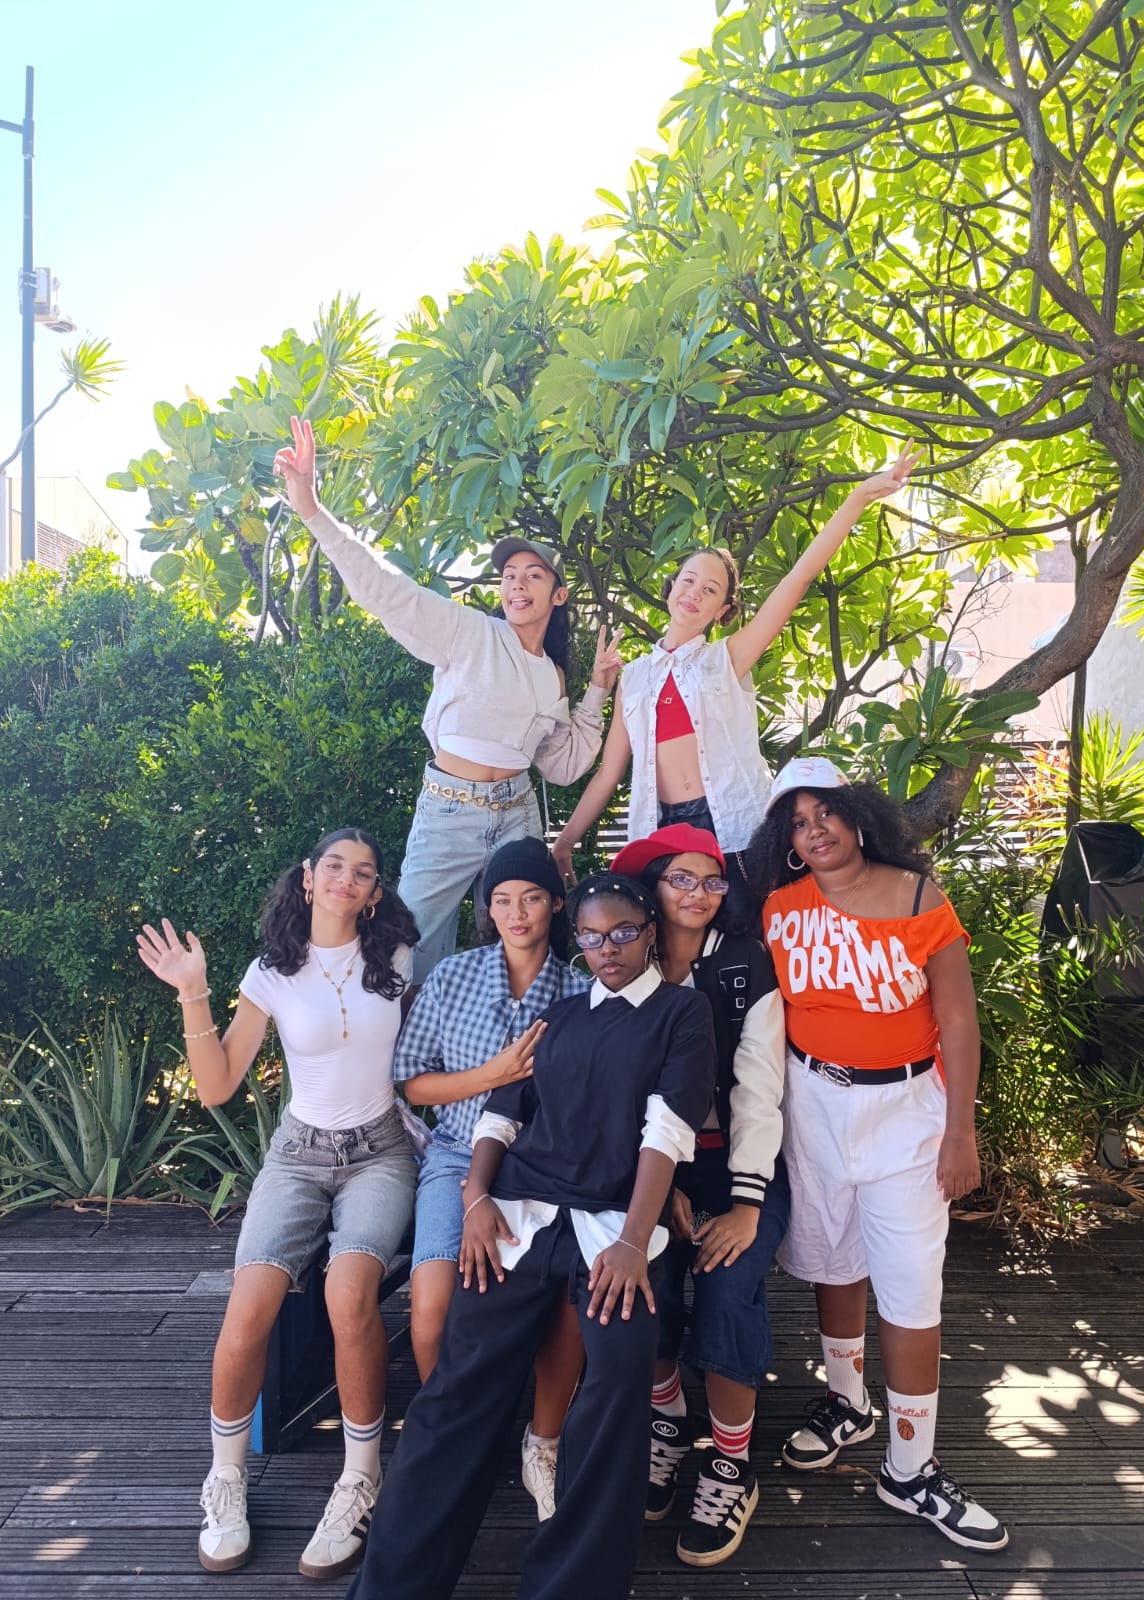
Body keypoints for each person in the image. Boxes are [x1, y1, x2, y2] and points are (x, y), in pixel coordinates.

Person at [345, 873, 716, 1600]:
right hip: (524, 1215)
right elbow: (502, 1114)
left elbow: (667, 1131)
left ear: (649, 931)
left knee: (614, 1392)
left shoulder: (682, 1012)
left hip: (616, 1232)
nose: (608, 949)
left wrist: (633, 1241)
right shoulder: (562, 1015)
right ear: (578, 942)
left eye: (623, 933)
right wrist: (476, 1196)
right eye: (592, 937)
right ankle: (393, 1587)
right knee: (457, 1392)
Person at [135, 828, 420, 1579]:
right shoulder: (271, 973)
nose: (347, 879)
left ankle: (360, 1477)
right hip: (297, 1156)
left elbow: (424, 1055)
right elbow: (218, 1084)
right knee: (249, 1303)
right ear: (308, 878)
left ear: (375, 893)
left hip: (380, 1153)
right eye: (335, 866)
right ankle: (226, 1478)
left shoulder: (395, 960)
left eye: (364, 872)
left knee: (349, 1293)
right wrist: (193, 992)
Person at [743, 757, 1008, 1552]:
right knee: (833, 1258)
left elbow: (957, 1023)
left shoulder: (919, 897)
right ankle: (848, 1402)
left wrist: (960, 1130)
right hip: (812, 1104)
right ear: (786, 840)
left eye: (825, 812)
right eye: (797, 822)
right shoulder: (777, 908)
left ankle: (911, 1468)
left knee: (909, 1287)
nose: (814, 830)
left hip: (906, 1110)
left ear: (857, 815)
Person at [273, 415, 622, 979]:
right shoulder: (471, 633)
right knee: (409, 946)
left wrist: (599, 687)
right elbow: (388, 591)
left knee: (523, 946)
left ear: (558, 595)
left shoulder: (553, 677)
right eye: (509, 575)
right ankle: (403, 1038)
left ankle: (516, 1035)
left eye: (533, 576)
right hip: (449, 809)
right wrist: (313, 510)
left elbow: (562, 767)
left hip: (518, 812)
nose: (517, 584)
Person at [551, 446, 920, 886]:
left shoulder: (728, 656)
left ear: (723, 610)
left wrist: (858, 498)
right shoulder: (634, 676)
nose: (694, 592)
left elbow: (798, 577)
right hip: (661, 828)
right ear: (671, 587)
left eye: (710, 590)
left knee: (747, 925)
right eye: (688, 580)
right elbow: (610, 771)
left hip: (734, 822)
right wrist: (565, 841)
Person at [393, 837, 589, 1518]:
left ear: (555, 904)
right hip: (454, 1157)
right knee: (432, 1304)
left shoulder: (580, 989)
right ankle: (455, 1432)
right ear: (487, 908)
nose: (516, 912)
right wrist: (494, 1075)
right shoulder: (453, 977)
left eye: (531, 898)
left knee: (562, 1299)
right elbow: (414, 1083)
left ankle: (544, 1439)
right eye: (502, 900)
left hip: (543, 1166)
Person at [610, 824, 787, 1568]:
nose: (699, 894)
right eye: (680, 879)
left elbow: (759, 1088)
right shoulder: (625, 960)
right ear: (651, 888)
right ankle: (669, 1422)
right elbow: (618, 1088)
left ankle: (732, 1462)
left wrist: (744, 1205)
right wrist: (664, 1187)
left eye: (712, 881)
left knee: (728, 1285)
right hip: (651, 1169)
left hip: (742, 1167)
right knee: (640, 1281)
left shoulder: (746, 962)